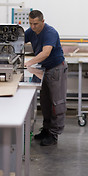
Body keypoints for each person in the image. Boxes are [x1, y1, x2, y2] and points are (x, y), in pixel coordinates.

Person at [24, 9, 68, 146]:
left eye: (36, 24)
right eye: (30, 23)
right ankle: (46, 129)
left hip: (56, 69)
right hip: (44, 69)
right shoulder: (31, 31)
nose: (33, 27)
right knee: (45, 103)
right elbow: (19, 42)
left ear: (43, 21)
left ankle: (54, 135)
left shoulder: (50, 32)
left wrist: (28, 63)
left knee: (57, 103)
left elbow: (45, 53)